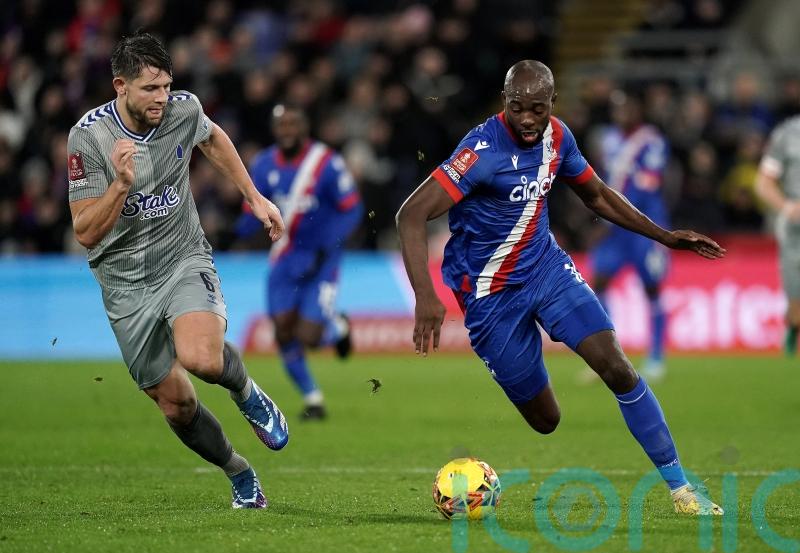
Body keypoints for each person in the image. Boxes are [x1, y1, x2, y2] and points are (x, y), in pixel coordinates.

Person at [396, 60, 725, 515]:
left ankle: (681, 489)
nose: (527, 119)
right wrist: (426, 296)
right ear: (504, 103)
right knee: (546, 421)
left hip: (546, 270)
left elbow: (597, 195)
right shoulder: (480, 152)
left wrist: (664, 235)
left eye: (537, 108)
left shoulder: (559, 137)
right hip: (490, 295)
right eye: (517, 108)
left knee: (617, 368)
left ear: (553, 103)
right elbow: (410, 214)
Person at [67, 32, 288, 509]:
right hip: (124, 284)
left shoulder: (184, 110)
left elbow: (213, 138)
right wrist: (121, 185)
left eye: (167, 85)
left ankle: (249, 394)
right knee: (177, 404)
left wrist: (254, 197)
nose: (162, 98)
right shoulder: (89, 137)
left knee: (203, 358)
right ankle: (240, 473)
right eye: (150, 89)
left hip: (182, 257)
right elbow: (85, 231)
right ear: (119, 86)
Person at [236, 104, 362, 420]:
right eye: (281, 125)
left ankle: (338, 326)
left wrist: (327, 244)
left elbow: (352, 209)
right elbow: (253, 208)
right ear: (274, 129)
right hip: (284, 258)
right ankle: (313, 400)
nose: (287, 130)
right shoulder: (263, 165)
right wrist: (236, 229)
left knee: (309, 336)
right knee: (282, 331)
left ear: (305, 127)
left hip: (321, 260)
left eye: (293, 124)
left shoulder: (326, 163)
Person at [589, 89, 671, 379]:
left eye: (627, 109)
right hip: (615, 230)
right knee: (597, 283)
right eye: (617, 109)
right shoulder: (609, 140)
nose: (621, 114)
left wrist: (610, 219)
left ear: (638, 111)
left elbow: (646, 186)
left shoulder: (652, 142)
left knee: (652, 288)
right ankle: (609, 357)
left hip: (643, 227)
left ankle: (657, 356)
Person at [756, 115, 800, 355]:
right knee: (796, 306)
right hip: (796, 230)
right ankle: (792, 330)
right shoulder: (788, 133)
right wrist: (786, 207)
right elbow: (763, 182)